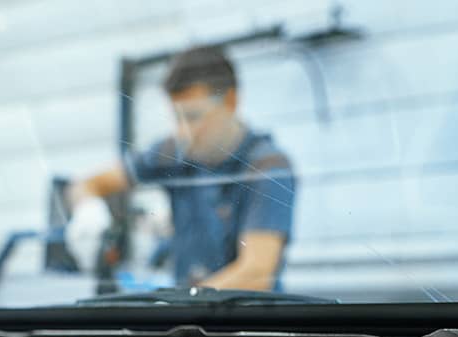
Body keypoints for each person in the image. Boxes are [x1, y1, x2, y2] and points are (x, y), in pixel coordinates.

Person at [65, 44, 296, 291]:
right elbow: (87, 184)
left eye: (194, 116)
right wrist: (87, 211)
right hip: (183, 320)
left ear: (230, 101)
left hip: (242, 324)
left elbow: (256, 275)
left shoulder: (268, 167)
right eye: (177, 117)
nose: (184, 132)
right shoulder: (173, 153)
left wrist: (176, 303)